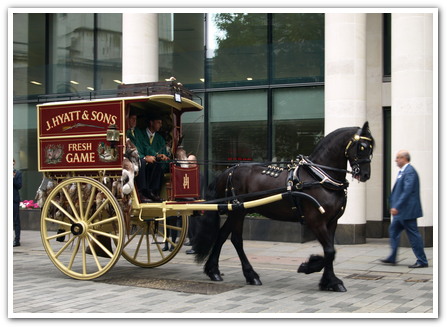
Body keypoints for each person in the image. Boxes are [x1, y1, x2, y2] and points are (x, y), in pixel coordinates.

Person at [380, 150, 428, 268]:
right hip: (401, 212)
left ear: (404, 159)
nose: (396, 160)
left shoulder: (409, 172)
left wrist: (397, 206)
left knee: (413, 236)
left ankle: (422, 261)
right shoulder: (403, 172)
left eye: (398, 158)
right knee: (393, 231)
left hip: (407, 211)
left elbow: (407, 191)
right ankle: (392, 258)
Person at [136, 116, 170, 201]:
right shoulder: (140, 134)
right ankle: (142, 192)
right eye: (158, 122)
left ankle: (153, 193)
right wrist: (153, 156)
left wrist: (161, 158)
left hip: (154, 166)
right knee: (143, 163)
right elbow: (144, 147)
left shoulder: (160, 139)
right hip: (141, 162)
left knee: (158, 165)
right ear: (151, 123)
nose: (160, 125)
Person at [13, 159, 22, 247]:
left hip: (14, 199)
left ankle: (17, 240)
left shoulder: (18, 173)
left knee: (16, 220)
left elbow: (19, 185)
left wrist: (12, 178)